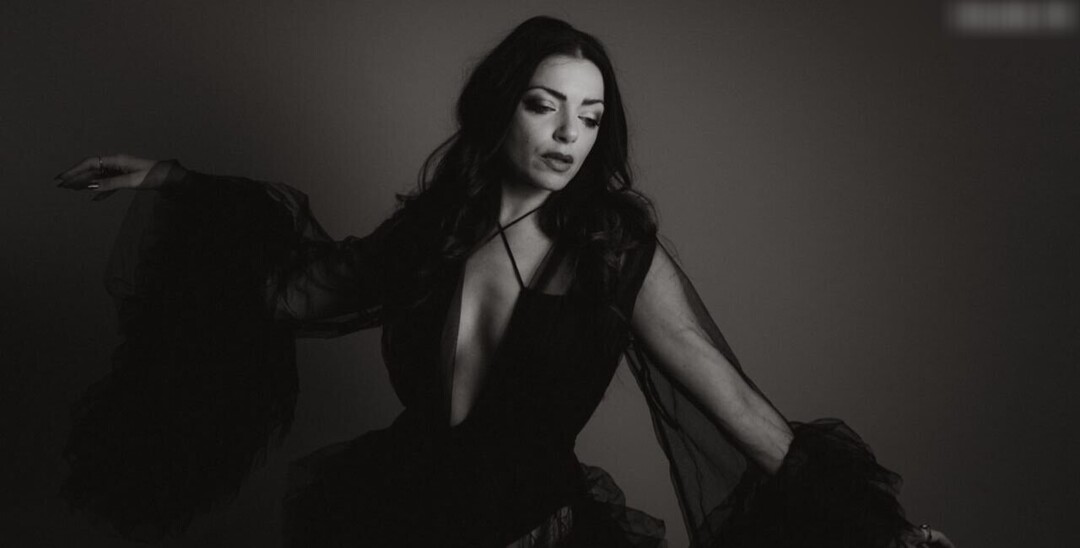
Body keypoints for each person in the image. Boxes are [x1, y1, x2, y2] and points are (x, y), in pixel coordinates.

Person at [54, 16, 954, 548]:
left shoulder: (611, 251)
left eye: (590, 117)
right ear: (501, 108)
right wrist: (174, 183)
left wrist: (882, 534)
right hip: (391, 521)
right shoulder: (431, 232)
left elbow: (736, 406)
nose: (569, 136)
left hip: (539, 534)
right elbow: (292, 293)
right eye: (545, 105)